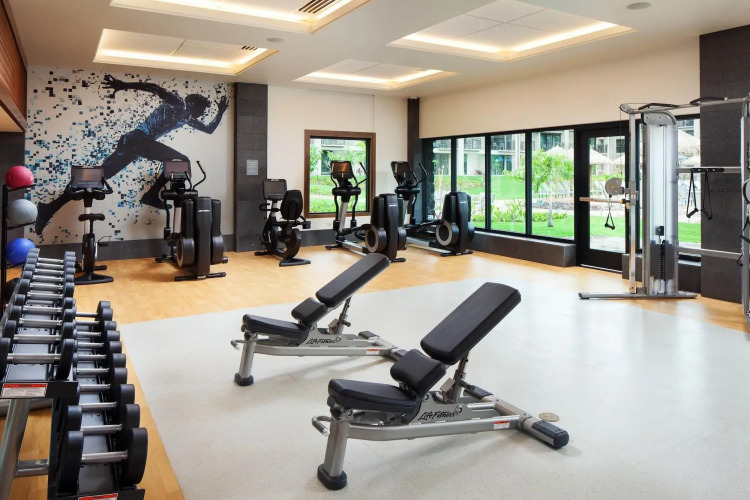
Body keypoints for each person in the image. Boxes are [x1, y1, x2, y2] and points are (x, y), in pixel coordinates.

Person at [35, 74, 229, 236]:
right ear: (192, 104)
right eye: (201, 109)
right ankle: (151, 195)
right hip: (138, 139)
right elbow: (154, 88)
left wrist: (220, 112)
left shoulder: (187, 117)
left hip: (136, 143)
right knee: (181, 160)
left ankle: (49, 208)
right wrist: (123, 85)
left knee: (100, 176)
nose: (202, 113)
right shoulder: (178, 103)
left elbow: (209, 129)